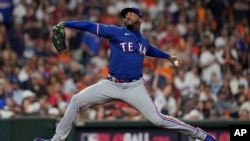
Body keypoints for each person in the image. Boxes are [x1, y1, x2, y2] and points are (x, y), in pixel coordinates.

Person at [35, 7, 217, 141]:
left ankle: (202, 135)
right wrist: (66, 23)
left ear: (140, 18)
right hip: (111, 84)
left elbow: (148, 49)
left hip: (134, 87)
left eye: (131, 14)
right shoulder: (116, 31)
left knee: (157, 120)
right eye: (125, 15)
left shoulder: (143, 40)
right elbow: (89, 26)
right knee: (76, 100)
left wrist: (168, 56)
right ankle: (56, 140)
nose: (128, 16)